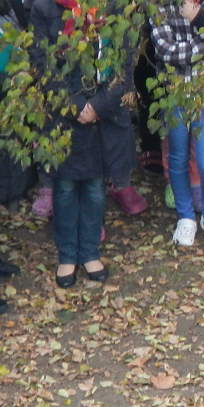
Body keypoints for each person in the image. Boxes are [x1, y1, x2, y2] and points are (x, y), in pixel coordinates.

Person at [31, 0, 135, 287]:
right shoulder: (45, 8)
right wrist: (75, 105)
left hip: (102, 115)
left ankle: (90, 252)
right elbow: (41, 62)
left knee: (95, 187)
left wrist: (98, 106)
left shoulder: (112, 7)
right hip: (63, 114)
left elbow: (123, 63)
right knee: (64, 187)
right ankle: (67, 255)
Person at [151, 0, 204, 247]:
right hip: (174, 95)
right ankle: (186, 217)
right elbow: (166, 51)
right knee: (178, 157)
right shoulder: (161, 6)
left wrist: (199, 19)